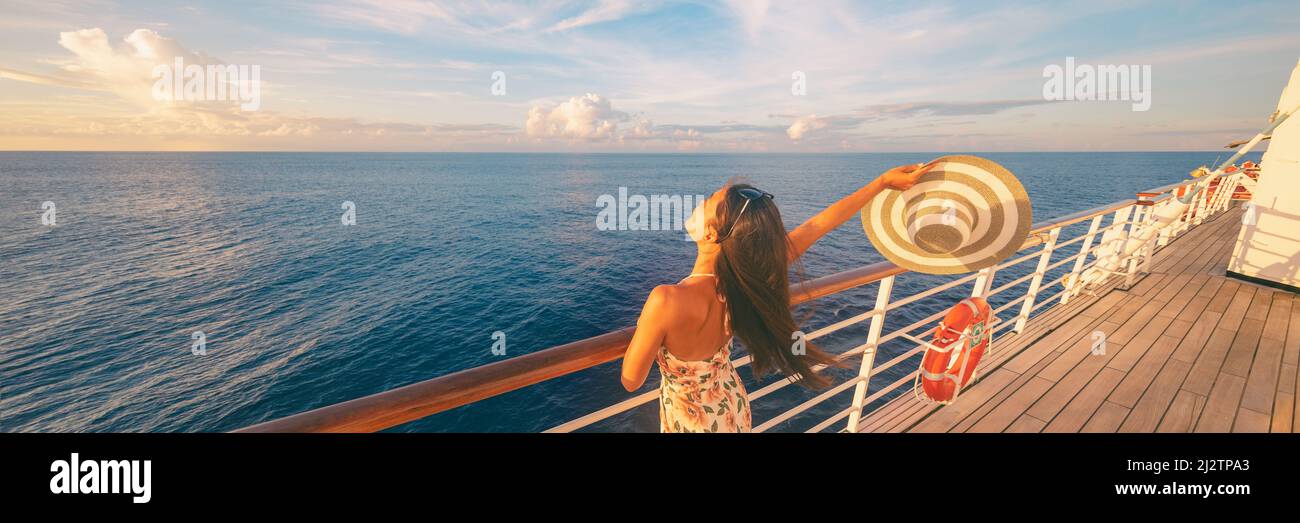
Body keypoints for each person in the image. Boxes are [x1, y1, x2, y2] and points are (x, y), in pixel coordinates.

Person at [619, 162, 935, 432]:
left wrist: (647, 327)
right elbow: (819, 224)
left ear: (711, 234)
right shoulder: (748, 275)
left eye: (709, 202)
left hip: (693, 420)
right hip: (731, 405)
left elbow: (631, 380)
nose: (700, 203)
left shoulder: (666, 300)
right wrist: (880, 183)